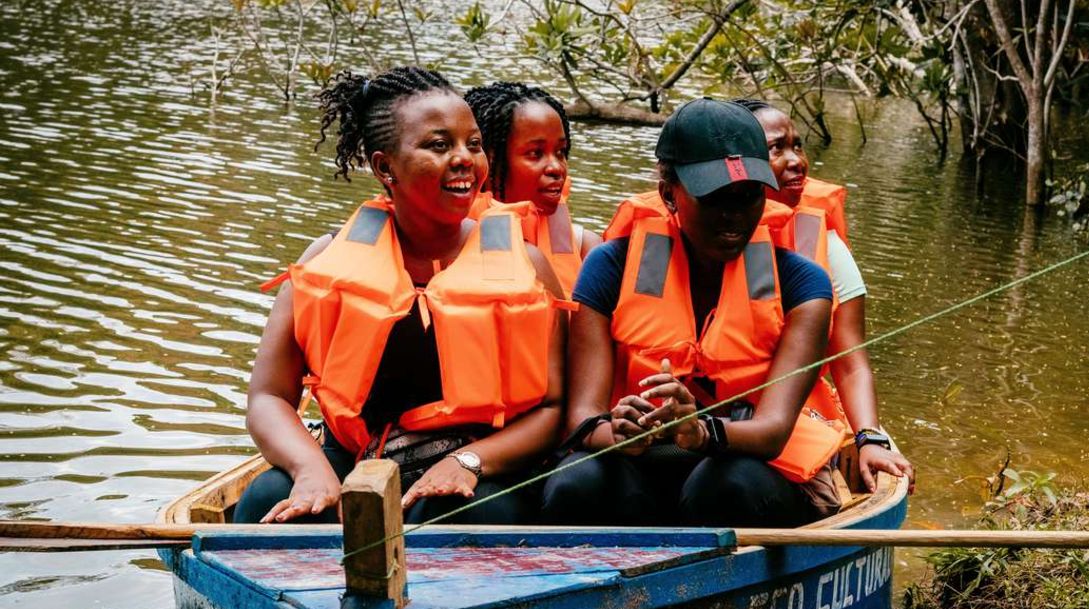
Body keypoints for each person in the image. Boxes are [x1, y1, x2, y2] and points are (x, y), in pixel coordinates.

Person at [234, 66, 566, 526]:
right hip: (351, 461)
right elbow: (268, 396)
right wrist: (310, 468)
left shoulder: (528, 263)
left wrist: (468, 461)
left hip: (475, 472)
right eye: (438, 145)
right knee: (268, 496)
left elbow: (553, 409)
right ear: (384, 166)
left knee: (470, 511)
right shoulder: (326, 259)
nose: (464, 159)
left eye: (473, 144)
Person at [540, 99, 848, 528]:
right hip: (645, 462)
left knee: (721, 486)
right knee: (575, 484)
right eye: (716, 198)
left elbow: (774, 431)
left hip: (749, 465)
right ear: (669, 194)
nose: (734, 217)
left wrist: (700, 430)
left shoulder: (803, 284)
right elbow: (583, 418)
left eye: (749, 196)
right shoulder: (609, 267)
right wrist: (617, 433)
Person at [733, 99, 915, 494]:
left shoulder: (826, 247)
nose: (797, 160)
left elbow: (851, 363)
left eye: (797, 146)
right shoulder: (706, 244)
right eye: (776, 149)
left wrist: (870, 437)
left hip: (792, 427)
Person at [463, 81, 601, 296]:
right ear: (488, 160)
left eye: (561, 152)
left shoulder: (587, 249)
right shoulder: (448, 245)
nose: (557, 168)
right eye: (535, 153)